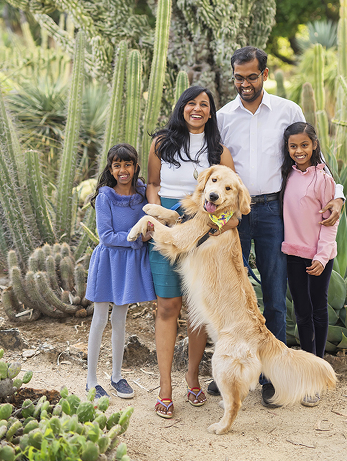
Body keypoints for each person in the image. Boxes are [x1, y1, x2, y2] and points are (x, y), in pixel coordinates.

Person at [209, 46, 344, 407]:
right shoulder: (223, 116)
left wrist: (339, 195)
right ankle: (229, 365)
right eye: (239, 78)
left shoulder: (288, 110)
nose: (245, 84)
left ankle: (272, 376)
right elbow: (211, 166)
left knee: (273, 291)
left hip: (272, 209)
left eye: (252, 77)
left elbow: (315, 158)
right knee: (228, 291)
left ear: (265, 75)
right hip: (234, 211)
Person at [146, 86, 237, 419]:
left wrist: (218, 225)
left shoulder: (219, 151)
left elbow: (233, 197)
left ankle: (193, 376)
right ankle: (165, 387)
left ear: (211, 112)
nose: (197, 108)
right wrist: (156, 215)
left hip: (203, 230)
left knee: (198, 309)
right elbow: (153, 183)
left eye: (204, 104)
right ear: (181, 107)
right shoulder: (161, 144)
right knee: (168, 306)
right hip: (167, 229)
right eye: (191, 103)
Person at [85, 143, 155, 400]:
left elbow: (151, 220)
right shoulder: (105, 196)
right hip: (109, 262)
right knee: (100, 318)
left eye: (128, 164)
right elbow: (105, 236)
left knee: (120, 319)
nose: (123, 170)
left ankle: (116, 376)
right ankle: (91, 381)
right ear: (111, 169)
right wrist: (138, 239)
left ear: (136, 166)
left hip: (129, 264)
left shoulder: (141, 194)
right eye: (117, 165)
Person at [280, 121, 339, 407]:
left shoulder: (323, 177)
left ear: (314, 145)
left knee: (317, 310)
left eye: (304, 145)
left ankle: (318, 372)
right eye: (293, 146)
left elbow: (331, 223)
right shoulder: (286, 176)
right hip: (293, 254)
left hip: (319, 257)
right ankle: (307, 371)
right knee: (301, 313)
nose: (299, 151)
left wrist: (322, 256)